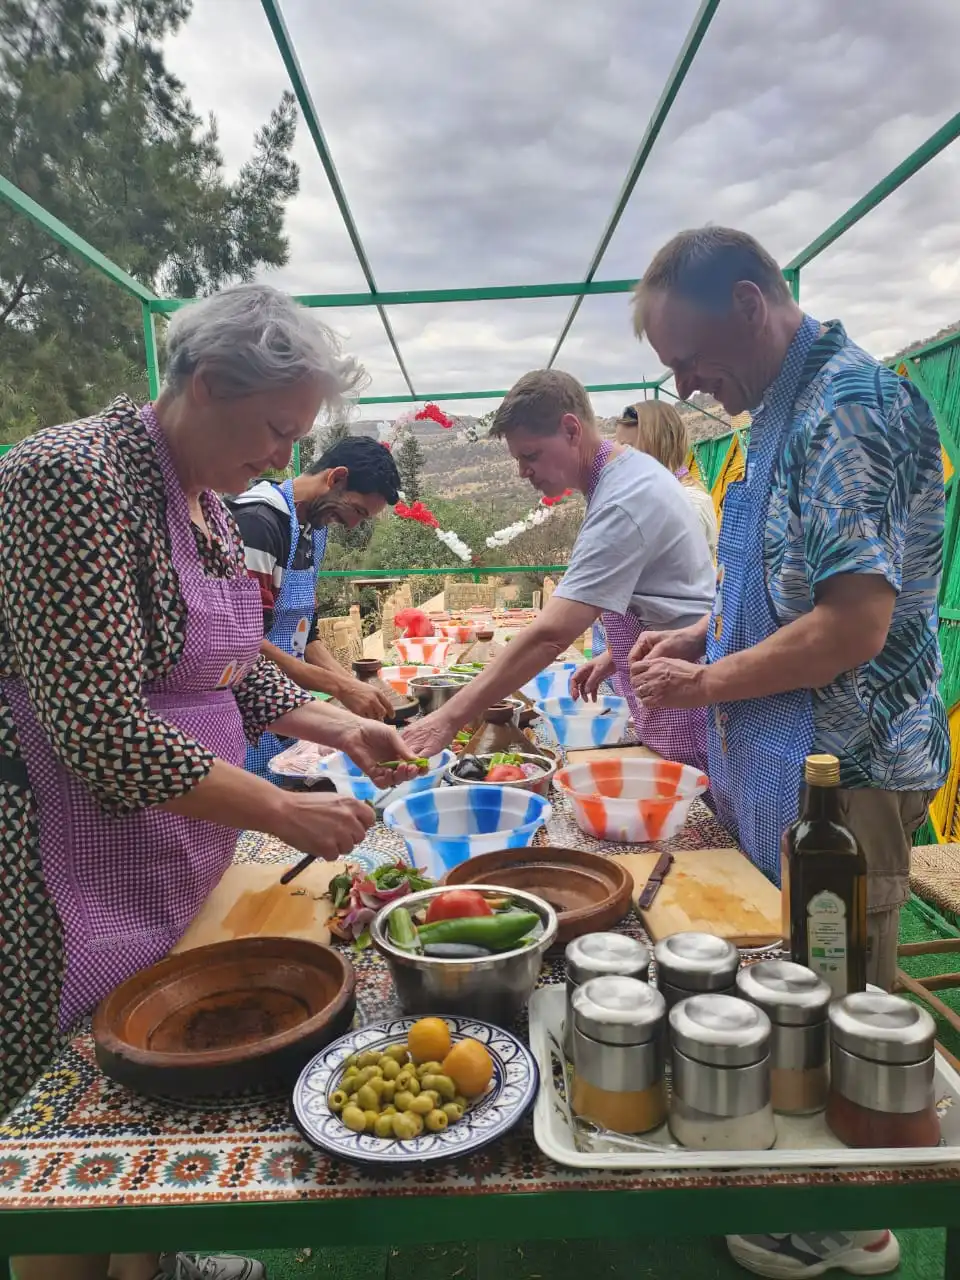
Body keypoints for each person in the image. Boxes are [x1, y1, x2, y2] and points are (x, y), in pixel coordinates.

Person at [0, 283, 417, 1280]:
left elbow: (239, 663)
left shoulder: (204, 502)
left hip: (161, 833)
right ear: (211, 380)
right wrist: (282, 806)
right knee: (72, 1125)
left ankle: (155, 1257)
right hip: (55, 848)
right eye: (278, 428)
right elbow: (96, 726)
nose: (287, 457)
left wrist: (346, 726)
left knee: (147, 1074)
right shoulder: (69, 479)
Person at [628, 226, 948, 1278]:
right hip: (800, 754)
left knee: (850, 997)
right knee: (804, 986)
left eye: (691, 358)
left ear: (755, 304)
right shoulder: (781, 410)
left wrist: (709, 680)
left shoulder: (845, 406)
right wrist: (702, 635)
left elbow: (852, 624)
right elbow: (784, 588)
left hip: (848, 768)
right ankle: (811, 1187)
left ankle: (848, 1223)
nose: (687, 384)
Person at [402, 370, 715, 765]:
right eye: (517, 459)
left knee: (691, 808)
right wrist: (614, 655)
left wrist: (447, 718)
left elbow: (550, 635)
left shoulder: (623, 500)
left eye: (530, 456)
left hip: (683, 698)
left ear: (571, 430)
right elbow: (661, 591)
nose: (523, 472)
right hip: (661, 677)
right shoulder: (626, 473)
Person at [229, 435, 402, 777]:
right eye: (356, 511)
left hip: (287, 706)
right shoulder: (259, 523)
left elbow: (306, 635)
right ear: (335, 478)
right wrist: (340, 687)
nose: (353, 525)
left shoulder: (314, 528)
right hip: (248, 713)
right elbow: (246, 644)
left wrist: (357, 687)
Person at [615, 400, 718, 556]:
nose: (619, 457)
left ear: (660, 444)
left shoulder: (689, 505)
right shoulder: (658, 495)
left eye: (628, 447)